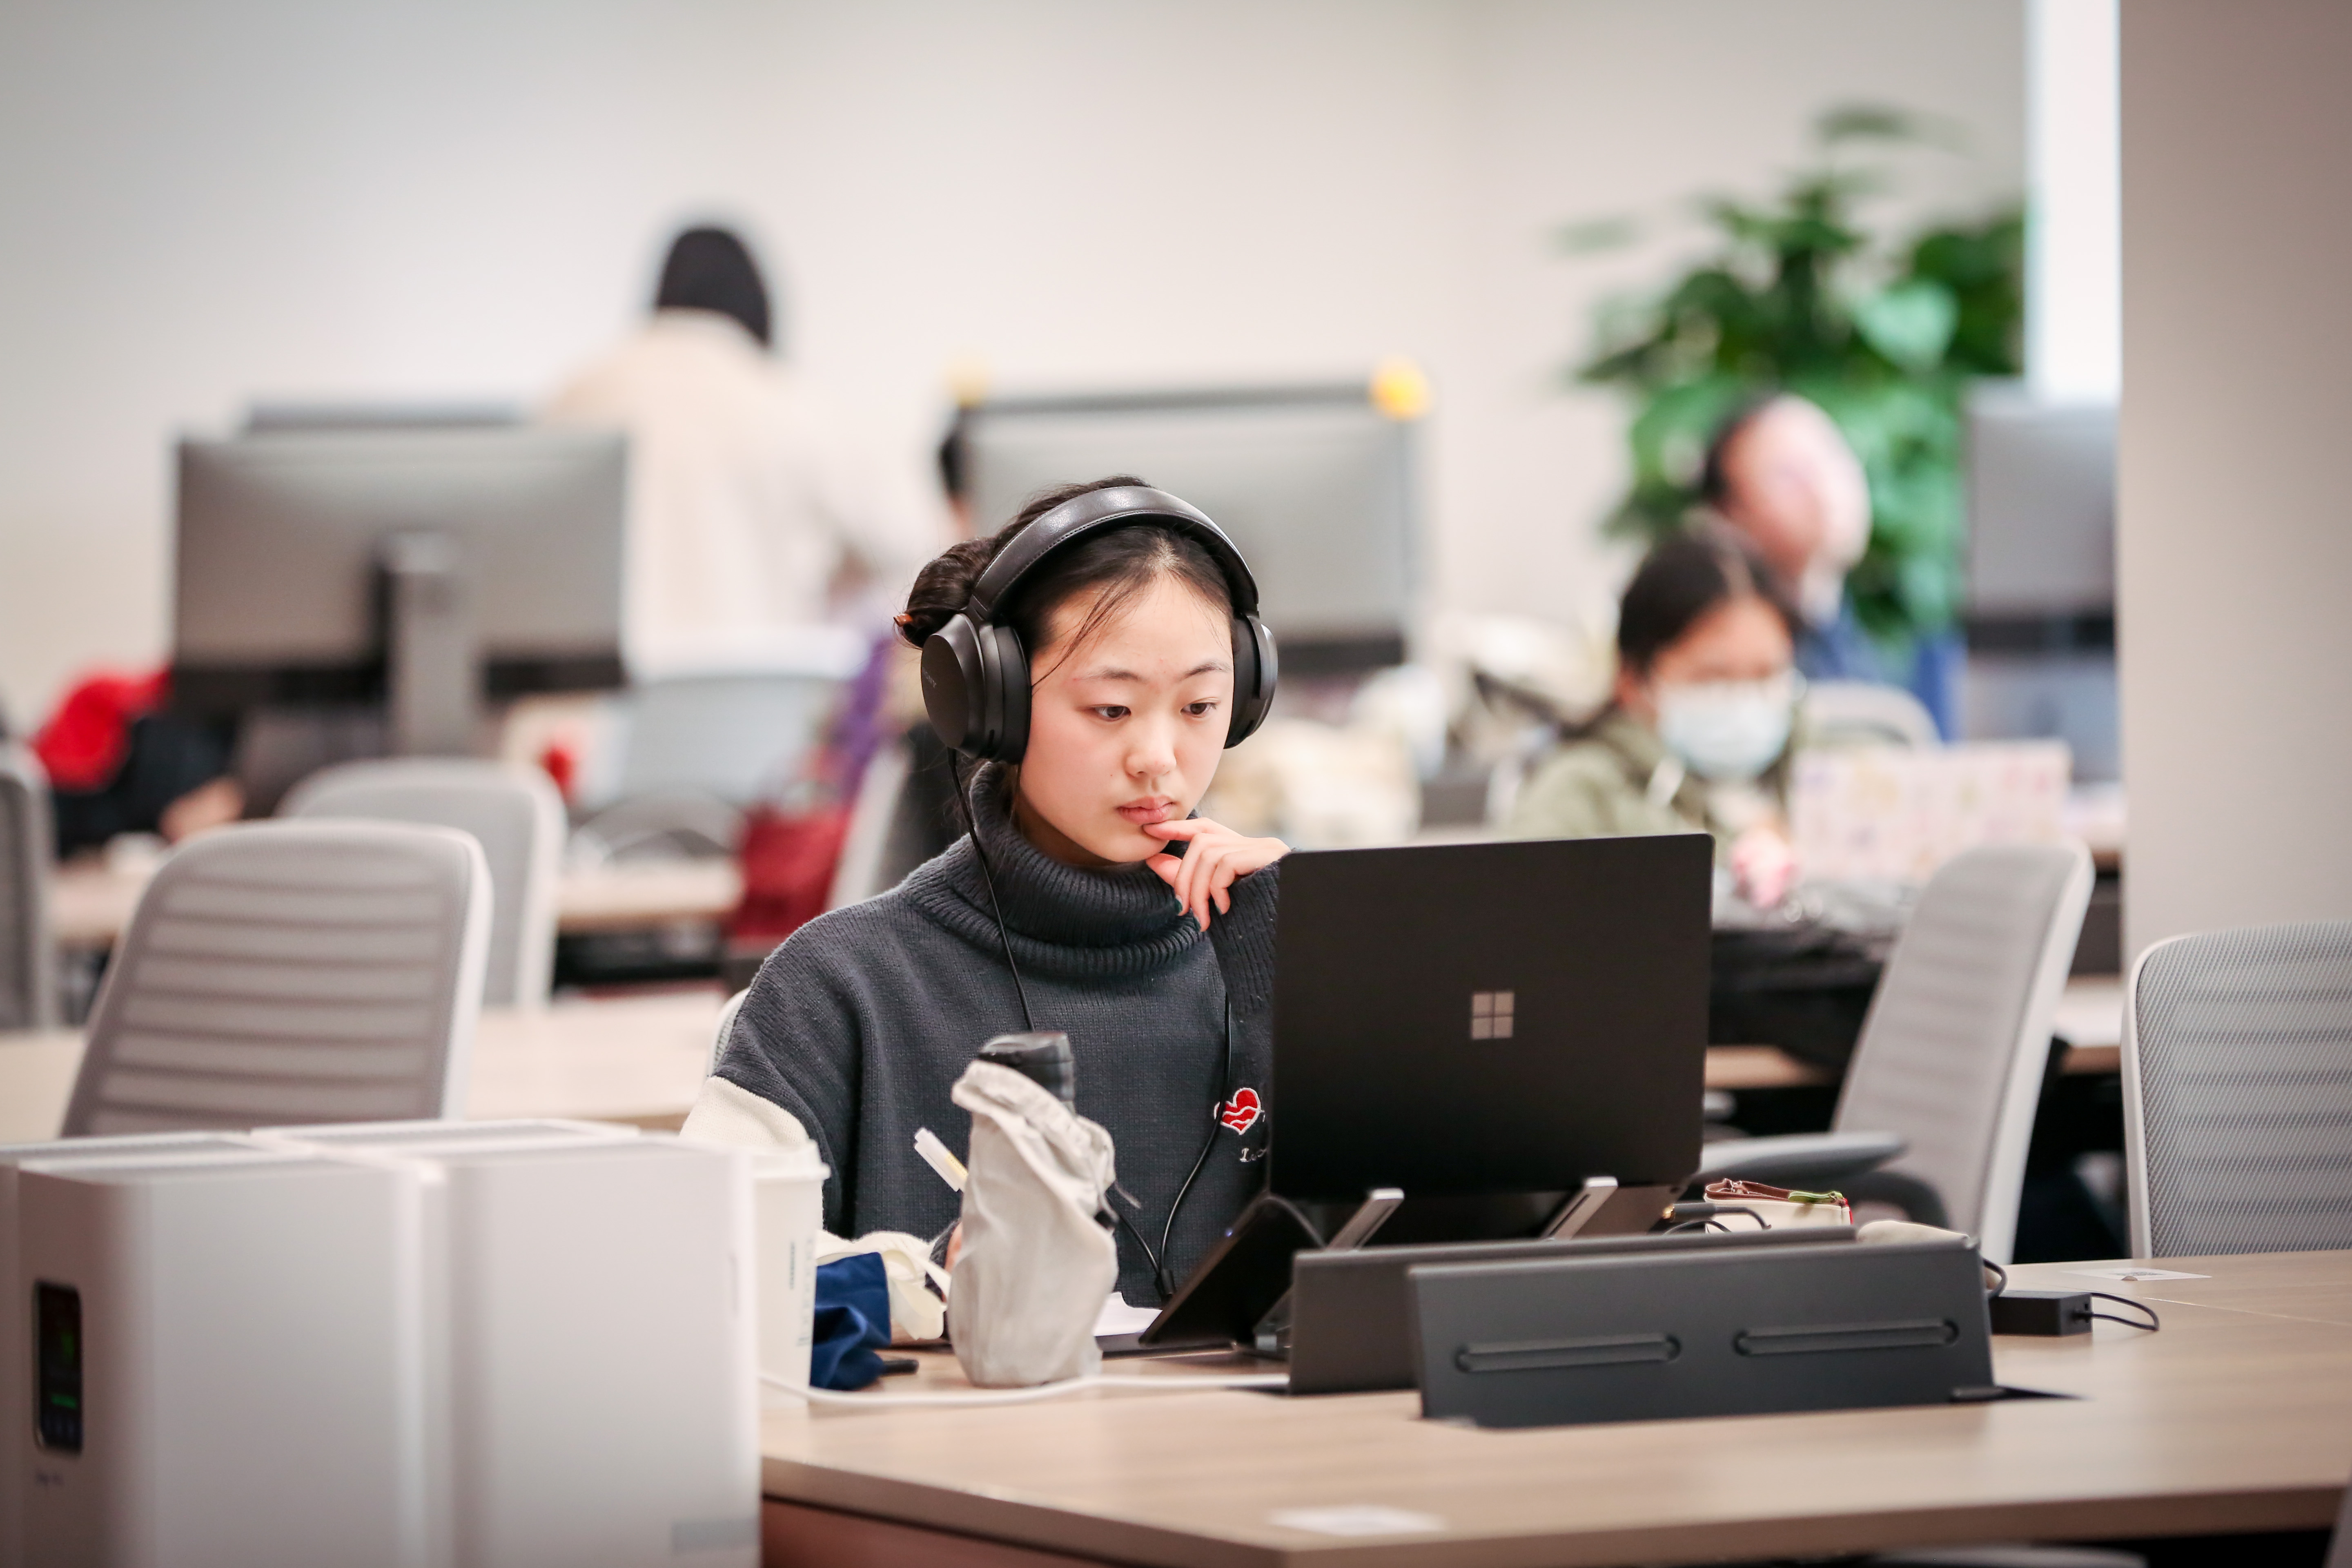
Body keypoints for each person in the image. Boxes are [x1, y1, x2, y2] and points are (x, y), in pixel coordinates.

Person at [684, 477, 1289, 1307]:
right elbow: (708, 1257)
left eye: (1200, 705)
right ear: (990, 703)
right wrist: (934, 1285)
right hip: (956, 1436)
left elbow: (1408, 1244)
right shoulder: (845, 984)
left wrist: (1287, 988)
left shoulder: (1284, 947)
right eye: (1111, 709)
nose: (1160, 756)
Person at [547, 225, 944, 671]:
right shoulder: (787, 401)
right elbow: (911, 545)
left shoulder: (574, 398)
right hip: (757, 703)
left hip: (605, 702)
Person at [1508, 528, 1799, 906]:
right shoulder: (1581, 792)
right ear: (1632, 680)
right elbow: (1516, 915)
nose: (1743, 701)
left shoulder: (1825, 770)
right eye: (1712, 678)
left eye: (1766, 676)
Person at [1700, 393, 1957, 737]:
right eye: (1789, 475)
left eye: (1832, 458)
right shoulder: (1720, 655)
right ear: (1729, 514)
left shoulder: (1910, 632)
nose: (1823, 488)